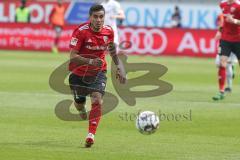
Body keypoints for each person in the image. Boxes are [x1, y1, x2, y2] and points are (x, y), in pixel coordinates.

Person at [68, 4, 126, 147]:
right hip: (79, 73)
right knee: (79, 103)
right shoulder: (80, 32)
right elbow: (72, 56)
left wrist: (119, 66)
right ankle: (81, 108)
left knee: (97, 99)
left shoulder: (108, 31)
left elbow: (112, 49)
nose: (99, 20)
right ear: (90, 17)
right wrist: (90, 61)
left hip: (99, 72)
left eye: (101, 17)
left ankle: (91, 135)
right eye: (95, 17)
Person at [212, 0, 240, 101]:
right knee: (222, 63)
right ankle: (221, 91)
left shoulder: (238, 5)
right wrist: (219, 31)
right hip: (225, 39)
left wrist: (235, 21)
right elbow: (223, 20)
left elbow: (234, 20)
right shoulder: (222, 4)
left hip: (238, 39)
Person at [214, 13, 238, 93]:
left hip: (235, 42)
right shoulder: (221, 15)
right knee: (218, 63)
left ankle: (229, 87)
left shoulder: (236, 14)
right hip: (224, 42)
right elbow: (219, 26)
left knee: (228, 65)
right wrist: (219, 31)